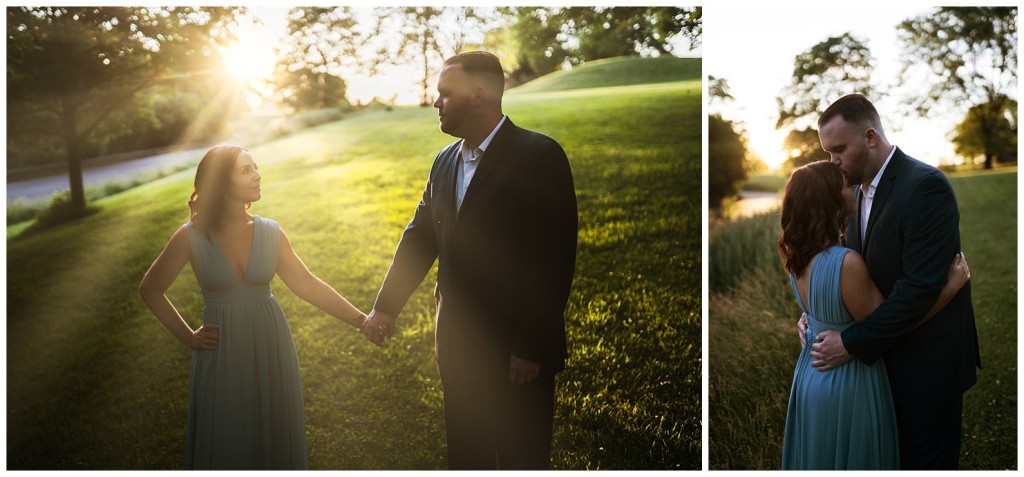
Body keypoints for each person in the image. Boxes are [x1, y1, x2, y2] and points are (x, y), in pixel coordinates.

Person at [361, 51, 578, 469]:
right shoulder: (444, 162)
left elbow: (554, 260)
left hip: (516, 353)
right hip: (457, 346)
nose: (436, 102)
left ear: (479, 95)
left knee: (522, 458)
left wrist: (530, 346)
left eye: (445, 93)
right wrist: (387, 308)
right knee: (467, 456)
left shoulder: (539, 156)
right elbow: (420, 239)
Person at [139, 145, 368, 469]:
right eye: (246, 170)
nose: (257, 175)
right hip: (222, 353)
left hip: (270, 344)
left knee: (273, 434)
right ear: (221, 181)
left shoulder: (270, 232)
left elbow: (308, 284)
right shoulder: (190, 236)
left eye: (256, 167)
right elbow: (151, 289)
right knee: (227, 437)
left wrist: (362, 321)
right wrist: (188, 337)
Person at [806, 93, 982, 469]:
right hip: (880, 368)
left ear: (870, 137)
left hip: (927, 366)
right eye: (827, 152)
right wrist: (817, 316)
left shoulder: (925, 187)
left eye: (839, 149)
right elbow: (847, 271)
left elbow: (918, 290)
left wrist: (851, 342)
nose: (832, 162)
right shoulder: (851, 194)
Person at [778, 160, 970, 469]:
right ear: (830, 201)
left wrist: (808, 320)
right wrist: (949, 289)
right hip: (847, 382)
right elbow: (892, 323)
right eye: (843, 186)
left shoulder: (797, 260)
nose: (851, 188)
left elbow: (816, 309)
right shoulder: (846, 263)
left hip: (811, 376)